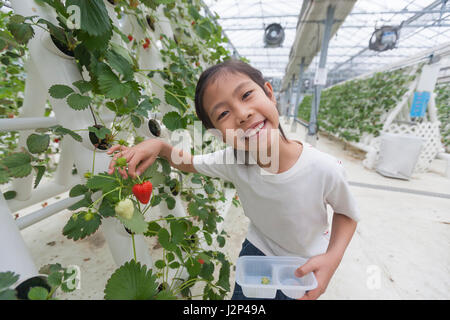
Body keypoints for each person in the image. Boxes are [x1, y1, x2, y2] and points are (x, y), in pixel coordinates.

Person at [107, 59, 360, 300]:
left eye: (247, 95)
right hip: (258, 251)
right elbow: (189, 162)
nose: (242, 114)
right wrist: (159, 145)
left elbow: (346, 213)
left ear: (270, 94)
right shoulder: (234, 161)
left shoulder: (323, 168)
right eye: (223, 113)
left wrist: (333, 258)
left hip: (303, 263)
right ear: (216, 133)